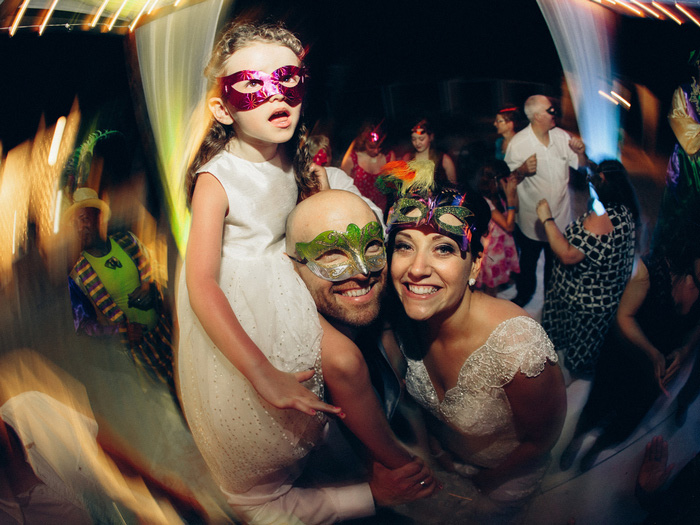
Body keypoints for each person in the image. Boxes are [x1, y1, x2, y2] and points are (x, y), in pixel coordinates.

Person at [175, 21, 394, 524]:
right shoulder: (217, 180)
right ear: (221, 109)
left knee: (345, 368)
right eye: (251, 84)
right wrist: (259, 371)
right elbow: (201, 281)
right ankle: (392, 470)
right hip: (247, 303)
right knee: (334, 373)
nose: (276, 94)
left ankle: (393, 462)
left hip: (289, 284)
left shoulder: (291, 161)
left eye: (287, 79)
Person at [380, 161, 567, 520]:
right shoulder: (403, 320)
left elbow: (541, 439)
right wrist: (438, 452)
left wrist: (485, 481)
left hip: (504, 478)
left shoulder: (517, 345)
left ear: (477, 263)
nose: (416, 269)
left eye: (444, 249)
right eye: (405, 246)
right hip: (445, 462)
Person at [284, 189, 438, 520]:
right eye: (332, 255)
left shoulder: (394, 314)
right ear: (290, 268)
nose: (361, 271)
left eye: (370, 247)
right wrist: (368, 496)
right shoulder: (295, 370)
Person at [559, 231, 700, 472]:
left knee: (623, 426)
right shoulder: (652, 271)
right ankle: (576, 441)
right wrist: (651, 351)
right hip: (622, 359)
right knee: (596, 411)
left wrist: (684, 350)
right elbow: (624, 317)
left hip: (652, 378)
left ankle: (597, 449)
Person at [66, 187, 174, 391]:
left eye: (84, 218)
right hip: (141, 350)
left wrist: (151, 287)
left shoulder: (128, 241)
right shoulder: (78, 276)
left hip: (166, 328)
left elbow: (155, 272)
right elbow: (83, 326)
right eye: (75, 222)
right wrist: (121, 331)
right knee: (168, 390)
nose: (80, 227)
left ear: (100, 217)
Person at [538, 160, 639, 378]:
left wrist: (546, 218)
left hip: (584, 300)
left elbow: (567, 254)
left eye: (593, 180)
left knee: (577, 361)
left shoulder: (604, 218)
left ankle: (573, 386)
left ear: (602, 181)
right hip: (605, 297)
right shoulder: (627, 211)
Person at [505, 95, 588, 307]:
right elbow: (507, 181)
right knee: (529, 262)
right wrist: (522, 170)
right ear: (536, 116)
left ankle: (552, 300)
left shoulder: (562, 137)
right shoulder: (519, 143)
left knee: (555, 264)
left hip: (560, 218)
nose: (555, 114)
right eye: (551, 111)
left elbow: (581, 168)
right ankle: (524, 294)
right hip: (532, 220)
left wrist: (580, 153)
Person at [475, 160, 520, 296]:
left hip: (500, 245)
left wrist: (511, 193)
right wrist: (511, 199)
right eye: (504, 179)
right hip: (491, 251)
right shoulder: (487, 202)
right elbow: (509, 226)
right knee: (491, 285)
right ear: (496, 181)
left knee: (498, 278)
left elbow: (515, 210)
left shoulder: (498, 196)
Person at [341, 122, 395, 211]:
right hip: (358, 209)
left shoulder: (389, 157)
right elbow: (342, 187)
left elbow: (394, 189)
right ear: (363, 142)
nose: (376, 151)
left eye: (379, 147)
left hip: (381, 211)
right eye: (371, 147)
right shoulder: (352, 159)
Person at [402, 119, 457, 184]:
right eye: (414, 139)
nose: (417, 143)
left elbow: (454, 186)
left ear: (430, 137)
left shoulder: (444, 159)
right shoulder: (407, 158)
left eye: (421, 139)